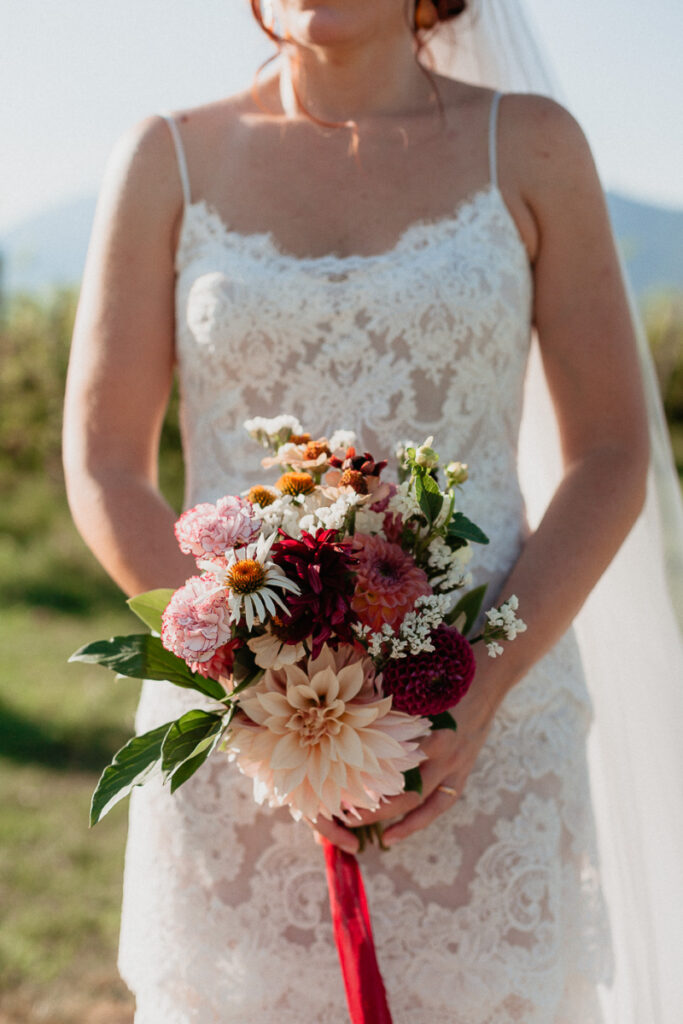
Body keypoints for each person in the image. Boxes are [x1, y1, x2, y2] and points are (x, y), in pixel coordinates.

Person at [62, 1, 682, 1021]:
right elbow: (103, 460)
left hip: (486, 730)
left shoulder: (527, 145)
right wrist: (243, 678)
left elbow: (610, 450)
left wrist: (477, 687)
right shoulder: (166, 157)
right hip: (237, 747)